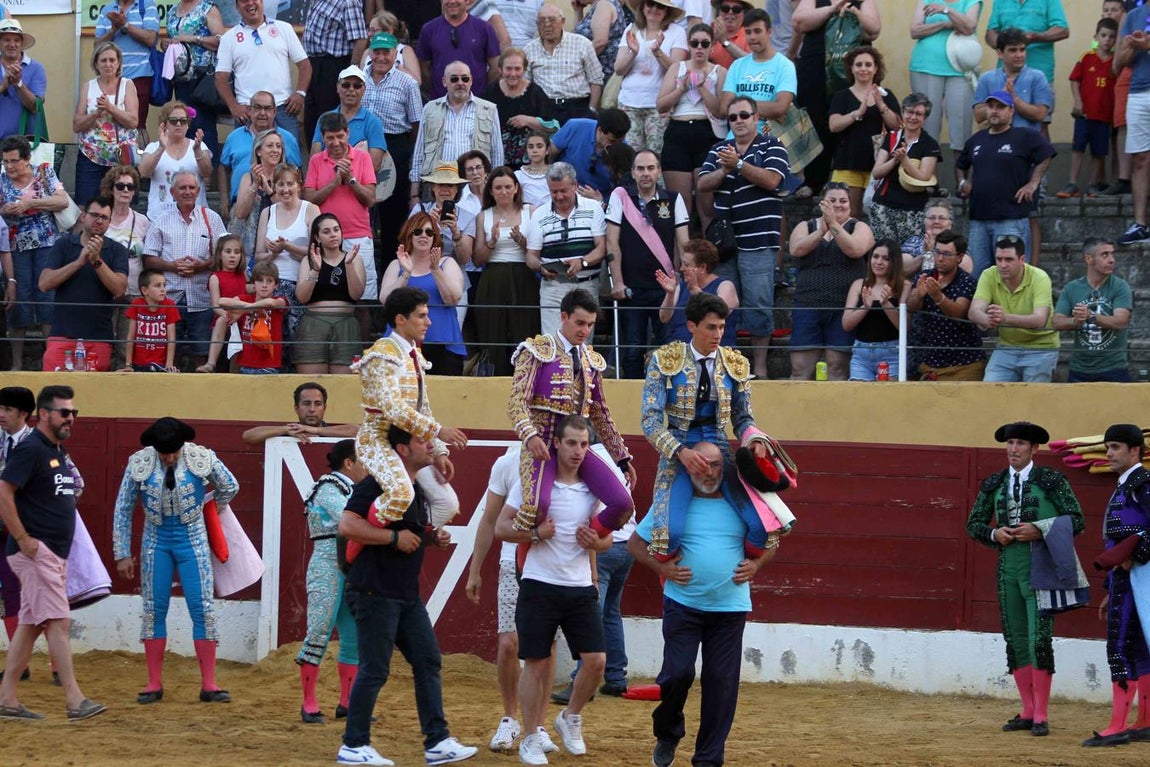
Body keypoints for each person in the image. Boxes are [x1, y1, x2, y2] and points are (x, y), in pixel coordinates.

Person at [629, 440, 780, 767]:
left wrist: (756, 565)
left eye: (715, 464)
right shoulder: (672, 505)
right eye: (702, 464)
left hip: (730, 609)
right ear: (688, 467)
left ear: (724, 468)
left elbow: (772, 541)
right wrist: (662, 569)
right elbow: (635, 544)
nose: (709, 471)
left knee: (721, 687)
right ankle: (668, 733)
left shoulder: (741, 503)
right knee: (677, 674)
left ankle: (708, 760)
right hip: (683, 604)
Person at [336, 424, 478, 767]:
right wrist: (393, 540)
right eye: (419, 440)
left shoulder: (411, 488)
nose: (428, 445)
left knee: (428, 660)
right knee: (375, 669)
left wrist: (431, 538)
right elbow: (347, 525)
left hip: (402, 592)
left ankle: (437, 741)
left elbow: (405, 533)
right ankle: (353, 745)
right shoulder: (377, 484)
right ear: (401, 449)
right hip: (373, 590)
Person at [494, 415, 616, 766]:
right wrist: (535, 535)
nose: (579, 451)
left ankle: (570, 717)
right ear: (558, 444)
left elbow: (606, 541)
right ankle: (531, 736)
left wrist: (598, 541)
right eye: (572, 443)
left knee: (596, 662)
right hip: (539, 582)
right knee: (536, 662)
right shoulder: (532, 484)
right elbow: (502, 527)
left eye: (584, 444)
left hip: (579, 585)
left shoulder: (594, 489)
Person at [641, 292, 783, 557]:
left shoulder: (736, 363)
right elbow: (650, 420)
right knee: (665, 535)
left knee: (763, 526)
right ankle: (671, 578)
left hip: (718, 443)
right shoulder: (664, 360)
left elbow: (743, 418)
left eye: (722, 327)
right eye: (710, 327)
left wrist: (754, 439)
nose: (718, 334)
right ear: (692, 326)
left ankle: (737, 569)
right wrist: (680, 452)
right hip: (678, 443)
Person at [965, 421, 1083, 739]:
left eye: (1020, 443)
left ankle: (1042, 715)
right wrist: (994, 532)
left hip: (1040, 567)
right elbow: (973, 523)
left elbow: (1077, 519)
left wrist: (1040, 528)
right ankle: (1028, 710)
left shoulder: (1051, 481)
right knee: (1016, 640)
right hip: (1008, 570)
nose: (1013, 448)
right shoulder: (994, 483)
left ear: (1034, 449)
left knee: (1038, 640)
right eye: (1010, 443)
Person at [113, 417, 239, 705]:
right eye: (163, 453)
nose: (169, 457)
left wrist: (210, 506)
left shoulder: (200, 456)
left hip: (192, 539)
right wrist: (122, 553)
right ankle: (153, 683)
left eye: (173, 452)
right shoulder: (140, 462)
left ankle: (209, 683)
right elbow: (123, 507)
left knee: (202, 608)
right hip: (155, 541)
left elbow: (229, 486)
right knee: (154, 609)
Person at [0, 385, 106, 722]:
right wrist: (25, 538)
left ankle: (7, 700)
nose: (71, 418)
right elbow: (3, 491)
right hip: (36, 551)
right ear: (44, 414)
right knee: (59, 621)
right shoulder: (30, 449)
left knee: (30, 625)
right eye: (64, 412)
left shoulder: (55, 450)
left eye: (74, 413)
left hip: (50, 552)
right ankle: (75, 699)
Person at [355, 286, 468, 522]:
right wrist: (438, 431)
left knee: (447, 503)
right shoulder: (382, 353)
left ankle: (412, 542)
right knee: (400, 495)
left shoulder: (412, 353)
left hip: (409, 440)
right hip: (380, 439)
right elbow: (393, 409)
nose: (428, 322)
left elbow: (421, 407)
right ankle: (361, 545)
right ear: (400, 319)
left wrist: (437, 450)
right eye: (421, 315)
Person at [698, 95, 789, 379]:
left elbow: (773, 180)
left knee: (759, 303)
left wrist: (737, 165)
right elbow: (702, 183)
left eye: (743, 115)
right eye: (733, 117)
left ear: (756, 118)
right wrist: (724, 170)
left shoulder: (772, 145)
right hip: (725, 244)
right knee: (722, 305)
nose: (738, 121)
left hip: (759, 239)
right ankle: (727, 362)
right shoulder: (718, 149)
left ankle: (759, 367)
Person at [1083, 423, 1150, 748]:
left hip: (1138, 575)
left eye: (1116, 448)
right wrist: (1111, 586)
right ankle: (1145, 721)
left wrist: (1133, 555)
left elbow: (1138, 538)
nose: (1109, 453)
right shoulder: (1128, 484)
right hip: (1127, 580)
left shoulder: (1142, 484)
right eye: (1108, 447)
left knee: (1119, 647)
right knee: (1138, 647)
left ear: (1135, 451)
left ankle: (1118, 726)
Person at [297, 439, 366, 724]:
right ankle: (308, 702)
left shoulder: (352, 489)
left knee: (353, 636)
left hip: (351, 568)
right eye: (363, 461)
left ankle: (347, 703)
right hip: (327, 566)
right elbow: (350, 520)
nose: (368, 467)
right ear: (348, 463)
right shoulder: (329, 488)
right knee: (319, 631)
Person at [607, 149, 689, 378]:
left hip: (666, 289)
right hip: (632, 288)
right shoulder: (620, 196)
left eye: (651, 168)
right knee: (632, 350)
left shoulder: (674, 200)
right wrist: (618, 282)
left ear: (659, 171)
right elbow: (612, 241)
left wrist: (686, 277)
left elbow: (683, 243)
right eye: (641, 168)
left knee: (668, 348)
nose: (646, 173)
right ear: (632, 172)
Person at [956, 91, 1056, 277]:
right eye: (991, 106)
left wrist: (1033, 184)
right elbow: (960, 165)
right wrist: (963, 182)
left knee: (1012, 274)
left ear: (1011, 111)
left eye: (1000, 107)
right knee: (976, 274)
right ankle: (981, 307)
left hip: (1011, 218)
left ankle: (1011, 308)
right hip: (979, 219)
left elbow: (1047, 155)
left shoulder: (1024, 136)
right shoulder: (976, 140)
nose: (994, 111)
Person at [787, 181, 875, 380]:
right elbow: (796, 249)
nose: (838, 204)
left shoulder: (859, 227)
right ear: (822, 204)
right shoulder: (806, 226)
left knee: (837, 367)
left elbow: (855, 250)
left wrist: (834, 225)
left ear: (850, 204)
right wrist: (821, 231)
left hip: (844, 309)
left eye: (843, 200)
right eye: (832, 200)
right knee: (800, 369)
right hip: (807, 305)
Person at [792, 0, 882, 193]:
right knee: (815, 121)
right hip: (815, 68)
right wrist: (832, 9)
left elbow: (873, 30)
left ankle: (852, 182)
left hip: (852, 71)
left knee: (855, 122)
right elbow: (799, 22)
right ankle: (814, 181)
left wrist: (855, 12)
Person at [142, 172, 225, 372]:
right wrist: (172, 266)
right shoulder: (161, 220)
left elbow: (224, 255)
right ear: (172, 192)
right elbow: (147, 258)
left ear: (198, 191)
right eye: (182, 188)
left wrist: (202, 266)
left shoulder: (212, 218)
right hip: (171, 298)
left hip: (202, 298)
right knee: (170, 357)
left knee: (203, 357)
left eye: (192, 188)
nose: (188, 192)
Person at [0, 135, 70, 371]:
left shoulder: (44, 172)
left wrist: (31, 204)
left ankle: (49, 362)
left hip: (46, 245)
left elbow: (62, 202)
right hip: (15, 247)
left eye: (13, 161)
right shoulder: (1, 179)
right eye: (5, 161)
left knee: (46, 301)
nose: (9, 166)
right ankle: (17, 364)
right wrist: (5, 209)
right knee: (18, 301)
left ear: (27, 159)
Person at [38, 196, 130, 373]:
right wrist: (78, 263)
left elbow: (119, 289)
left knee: (95, 395)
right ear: (83, 216)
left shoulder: (117, 250)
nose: (99, 220)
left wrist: (96, 261)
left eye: (104, 217)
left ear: (110, 222)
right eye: (95, 215)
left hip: (98, 337)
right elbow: (44, 283)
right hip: (62, 335)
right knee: (54, 390)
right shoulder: (63, 244)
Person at [656, 22, 726, 234]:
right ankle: (679, 262)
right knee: (680, 206)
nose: (699, 48)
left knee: (706, 205)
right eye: (695, 43)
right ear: (689, 45)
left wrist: (703, 86)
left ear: (712, 46)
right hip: (678, 131)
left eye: (705, 44)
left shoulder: (719, 71)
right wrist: (682, 88)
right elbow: (661, 105)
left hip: (707, 131)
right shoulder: (678, 68)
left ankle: (710, 257)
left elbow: (721, 110)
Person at [304, 113, 379, 307]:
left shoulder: (363, 157)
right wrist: (333, 183)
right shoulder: (315, 161)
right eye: (330, 138)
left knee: (363, 299)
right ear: (322, 137)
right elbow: (309, 199)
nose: (336, 142)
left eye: (340, 136)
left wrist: (351, 179)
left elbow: (370, 199)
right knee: (329, 295)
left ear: (348, 133)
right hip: (325, 238)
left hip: (358, 236)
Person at [362, 31, 424, 261]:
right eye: (376, 52)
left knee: (393, 216)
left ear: (394, 54)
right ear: (370, 53)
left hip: (395, 145)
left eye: (385, 52)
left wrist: (406, 154)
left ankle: (391, 271)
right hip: (363, 148)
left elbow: (417, 124)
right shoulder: (359, 79)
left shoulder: (407, 82)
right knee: (362, 213)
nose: (380, 57)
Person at [379, 214, 468, 375]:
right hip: (401, 344)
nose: (423, 236)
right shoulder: (396, 265)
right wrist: (406, 273)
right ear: (409, 235)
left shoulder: (447, 263)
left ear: (435, 237)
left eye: (429, 232)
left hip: (443, 343)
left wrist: (435, 270)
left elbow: (453, 298)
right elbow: (386, 301)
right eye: (418, 231)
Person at [524, 163, 607, 334]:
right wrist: (540, 267)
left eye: (564, 191)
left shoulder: (593, 208)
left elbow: (602, 247)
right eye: (554, 192)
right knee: (552, 343)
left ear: (575, 186)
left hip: (586, 283)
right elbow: (531, 256)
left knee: (582, 343)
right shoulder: (539, 214)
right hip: (553, 286)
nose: (559, 196)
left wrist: (582, 262)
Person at [472, 166, 539, 375]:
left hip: (523, 277)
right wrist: (492, 242)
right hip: (494, 278)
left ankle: (526, 377)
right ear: (490, 191)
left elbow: (538, 251)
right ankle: (495, 376)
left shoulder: (531, 211)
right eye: (498, 188)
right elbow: (477, 259)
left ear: (516, 188)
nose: (504, 192)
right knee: (494, 330)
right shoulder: (484, 216)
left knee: (525, 329)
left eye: (508, 187)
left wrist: (521, 241)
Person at [215, 0, 312, 139]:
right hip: (248, 111)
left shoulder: (284, 28)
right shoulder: (228, 38)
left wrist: (300, 94)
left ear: (262, 2)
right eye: (243, 1)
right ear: (237, 6)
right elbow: (220, 77)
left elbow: (305, 65)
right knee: (247, 158)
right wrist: (233, 106)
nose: (250, 3)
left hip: (283, 108)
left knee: (289, 158)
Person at [409, 61, 504, 202]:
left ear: (471, 80)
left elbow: (497, 154)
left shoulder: (489, 109)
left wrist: (495, 188)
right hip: (438, 185)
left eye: (464, 78)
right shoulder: (430, 108)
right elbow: (419, 153)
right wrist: (414, 195)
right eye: (454, 79)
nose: (460, 83)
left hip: (475, 185)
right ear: (444, 81)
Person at [968, 234, 1059, 383]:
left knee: (1033, 401)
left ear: (1022, 260)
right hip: (1007, 346)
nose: (1002, 265)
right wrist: (987, 319)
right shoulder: (989, 274)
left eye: (1009, 259)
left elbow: (1040, 320)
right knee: (988, 392)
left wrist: (1005, 318)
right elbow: (974, 311)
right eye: (999, 259)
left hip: (1041, 347)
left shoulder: (1040, 277)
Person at [827, 45, 901, 218]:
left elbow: (897, 126)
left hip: (878, 166)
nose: (863, 69)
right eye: (858, 64)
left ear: (875, 68)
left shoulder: (886, 94)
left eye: (868, 64)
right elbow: (834, 125)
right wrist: (857, 113)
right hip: (847, 164)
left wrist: (881, 104)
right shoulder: (842, 96)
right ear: (851, 68)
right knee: (845, 216)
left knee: (878, 217)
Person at [254, 163, 319, 358]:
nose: (285, 189)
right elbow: (258, 255)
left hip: (300, 284)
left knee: (295, 342)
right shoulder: (268, 212)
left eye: (290, 184)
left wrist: (287, 247)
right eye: (280, 184)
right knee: (270, 342)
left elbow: (318, 252)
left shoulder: (311, 209)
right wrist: (273, 253)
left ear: (299, 185)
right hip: (271, 284)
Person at [908, 0, 983, 168]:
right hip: (925, 66)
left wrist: (946, 10)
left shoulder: (971, 2)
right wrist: (944, 24)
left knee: (961, 124)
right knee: (927, 124)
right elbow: (915, 31)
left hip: (960, 69)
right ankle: (928, 180)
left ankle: (962, 181)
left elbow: (968, 27)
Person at [906, 229, 987, 380]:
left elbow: (959, 312)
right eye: (937, 252)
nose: (940, 258)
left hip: (965, 365)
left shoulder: (967, 282)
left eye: (947, 254)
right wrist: (918, 294)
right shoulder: (926, 275)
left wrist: (938, 297)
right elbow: (910, 306)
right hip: (930, 365)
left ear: (960, 257)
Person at [1052, 237, 1133, 383]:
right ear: (1088, 259)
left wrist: (1091, 316)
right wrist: (1075, 321)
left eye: (1112, 254)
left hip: (1114, 368)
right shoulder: (1072, 288)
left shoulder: (1120, 287)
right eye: (1104, 255)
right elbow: (1056, 322)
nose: (1111, 260)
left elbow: (1121, 321)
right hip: (1079, 369)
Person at [294, 214, 366, 375]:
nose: (333, 234)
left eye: (336, 230)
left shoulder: (355, 258)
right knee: (312, 385)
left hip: (346, 324)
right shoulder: (309, 260)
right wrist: (316, 270)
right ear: (316, 237)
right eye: (326, 231)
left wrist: (348, 265)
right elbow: (302, 297)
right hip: (313, 324)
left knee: (343, 386)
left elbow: (356, 295)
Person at [868, 93, 943, 246]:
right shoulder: (891, 138)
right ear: (902, 112)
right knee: (885, 254)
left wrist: (905, 160)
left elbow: (924, 178)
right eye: (909, 112)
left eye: (918, 114)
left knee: (909, 254)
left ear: (925, 118)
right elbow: (877, 173)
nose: (913, 117)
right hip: (884, 205)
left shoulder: (930, 144)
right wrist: (895, 161)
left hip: (913, 209)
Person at [72, 42, 140, 207]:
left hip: (122, 158)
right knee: (86, 205)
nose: (108, 64)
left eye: (112, 60)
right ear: (96, 64)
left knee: (123, 205)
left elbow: (133, 121)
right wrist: (96, 113)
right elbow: (76, 125)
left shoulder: (127, 85)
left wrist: (110, 108)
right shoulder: (88, 87)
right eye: (103, 60)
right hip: (91, 157)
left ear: (118, 63)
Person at [985, 0, 1069, 136]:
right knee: (1000, 122)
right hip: (1006, 74)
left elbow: (1063, 30)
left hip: (1040, 73)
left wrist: (1035, 36)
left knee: (1040, 125)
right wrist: (1005, 46)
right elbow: (990, 33)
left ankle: (1041, 158)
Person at [217, 91, 304, 222]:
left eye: (268, 108)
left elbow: (298, 173)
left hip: (280, 206)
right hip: (242, 204)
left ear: (275, 111)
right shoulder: (234, 137)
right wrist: (224, 199)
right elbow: (223, 168)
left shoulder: (287, 138)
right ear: (249, 110)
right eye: (257, 107)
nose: (262, 113)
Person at [614, 0, 687, 155]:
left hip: (658, 105)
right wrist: (633, 52)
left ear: (667, 11)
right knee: (631, 156)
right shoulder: (631, 29)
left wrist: (657, 52)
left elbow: (678, 71)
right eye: (650, 4)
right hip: (629, 103)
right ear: (643, 7)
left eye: (660, 6)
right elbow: (619, 69)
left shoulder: (676, 32)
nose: (654, 9)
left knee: (656, 155)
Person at [1059, 18, 1118, 197]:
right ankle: (1072, 183)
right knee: (1078, 148)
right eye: (1104, 35)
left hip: (1104, 116)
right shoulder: (1086, 57)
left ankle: (1093, 184)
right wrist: (1077, 101)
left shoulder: (1116, 63)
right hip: (1084, 114)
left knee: (1098, 152)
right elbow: (1075, 80)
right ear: (1096, 36)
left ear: (1116, 40)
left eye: (1112, 37)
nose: (1107, 40)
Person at [166, 0, 227, 163]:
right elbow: (173, 38)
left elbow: (221, 41)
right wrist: (166, 43)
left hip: (201, 78)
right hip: (180, 78)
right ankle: (186, 167)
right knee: (184, 124)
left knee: (203, 125)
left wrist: (193, 38)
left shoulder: (207, 8)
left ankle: (207, 172)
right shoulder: (172, 11)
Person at [101, 164, 150, 364]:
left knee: (126, 350)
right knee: (102, 345)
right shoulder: (100, 218)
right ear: (111, 188)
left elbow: (147, 258)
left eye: (130, 187)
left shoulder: (143, 221)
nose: (125, 191)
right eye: (120, 186)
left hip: (132, 293)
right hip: (103, 292)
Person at [841, 239, 910, 381]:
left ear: (894, 262)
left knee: (887, 401)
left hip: (891, 354)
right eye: (875, 256)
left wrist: (886, 304)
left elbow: (906, 327)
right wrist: (865, 307)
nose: (879, 262)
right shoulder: (859, 284)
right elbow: (846, 324)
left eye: (886, 258)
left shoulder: (904, 286)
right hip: (861, 354)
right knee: (859, 399)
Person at [302, 0, 369, 145]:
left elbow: (361, 39)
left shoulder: (348, 2)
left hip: (332, 65)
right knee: (311, 119)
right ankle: (316, 163)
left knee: (328, 118)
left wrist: (351, 71)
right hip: (313, 64)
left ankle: (332, 159)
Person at [526, 3, 605, 123]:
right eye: (541, 21)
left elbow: (596, 80)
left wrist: (592, 110)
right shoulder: (529, 49)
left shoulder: (582, 44)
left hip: (577, 107)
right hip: (544, 108)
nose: (547, 25)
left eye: (551, 20)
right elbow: (526, 85)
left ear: (562, 21)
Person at [94, 0, 158, 142]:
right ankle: (114, 163)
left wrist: (126, 25)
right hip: (111, 79)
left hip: (139, 76)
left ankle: (140, 162)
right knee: (110, 125)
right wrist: (113, 29)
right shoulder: (107, 9)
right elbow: (97, 45)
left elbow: (151, 39)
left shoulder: (147, 5)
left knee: (137, 125)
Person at [482, 48, 557, 169]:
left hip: (529, 159)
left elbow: (553, 127)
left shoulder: (535, 92)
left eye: (517, 69)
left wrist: (528, 120)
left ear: (524, 70)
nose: (513, 74)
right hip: (498, 158)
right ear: (500, 69)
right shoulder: (490, 92)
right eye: (508, 69)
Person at [658, 238, 739, 347]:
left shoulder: (725, 286)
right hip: (680, 352)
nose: (681, 269)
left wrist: (695, 290)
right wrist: (670, 294)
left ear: (702, 267)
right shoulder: (680, 288)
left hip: (715, 353)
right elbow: (664, 318)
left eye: (686, 265)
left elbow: (717, 313)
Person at [309, 65, 388, 175]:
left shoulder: (373, 122)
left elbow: (375, 165)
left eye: (357, 86)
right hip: (326, 182)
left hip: (359, 184)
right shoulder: (324, 119)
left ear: (364, 89)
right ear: (337, 87)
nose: (351, 89)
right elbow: (314, 159)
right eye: (346, 85)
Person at [1115, 1, 1150, 245]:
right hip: (1138, 92)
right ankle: (1140, 223)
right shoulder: (1133, 16)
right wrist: (1134, 48)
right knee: (1140, 158)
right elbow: (1117, 64)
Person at [138, 101, 213, 216]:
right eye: (173, 121)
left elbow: (207, 172)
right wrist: (161, 148)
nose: (178, 124)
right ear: (164, 124)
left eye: (183, 121)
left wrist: (197, 151)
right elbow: (143, 172)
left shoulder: (200, 146)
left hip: (195, 216)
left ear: (188, 124)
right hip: (160, 216)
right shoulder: (153, 147)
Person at [973, 28, 1054, 133]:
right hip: (995, 141)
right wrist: (1000, 98)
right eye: (1013, 50)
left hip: (1026, 141)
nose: (1019, 55)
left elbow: (1040, 115)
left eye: (1022, 49)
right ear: (1000, 53)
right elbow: (978, 116)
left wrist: (1013, 98)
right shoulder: (986, 78)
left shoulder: (1037, 77)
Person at [417, 0, 500, 100]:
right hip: (440, 102)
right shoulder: (428, 30)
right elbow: (424, 69)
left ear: (468, 1)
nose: (451, 1)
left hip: (477, 101)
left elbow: (496, 67)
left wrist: (481, 90)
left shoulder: (484, 28)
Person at [218, 260, 289, 375]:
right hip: (245, 362)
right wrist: (251, 307)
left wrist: (245, 309)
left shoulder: (280, 301)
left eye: (269, 281)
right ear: (253, 283)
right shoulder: (246, 299)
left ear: (276, 284)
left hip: (269, 365)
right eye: (260, 280)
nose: (264, 285)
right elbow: (221, 301)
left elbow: (271, 303)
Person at [241, 381, 359, 446]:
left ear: (324, 408)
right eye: (306, 403)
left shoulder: (333, 433)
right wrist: (285, 430)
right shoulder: (291, 431)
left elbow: (359, 432)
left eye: (317, 404)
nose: (312, 409)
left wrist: (316, 430)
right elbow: (248, 436)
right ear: (296, 408)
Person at [547, 108, 631, 196]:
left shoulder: (623, 150)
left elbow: (622, 187)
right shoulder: (575, 127)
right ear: (600, 130)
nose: (615, 145)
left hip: (599, 197)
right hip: (563, 188)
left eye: (620, 142)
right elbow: (549, 154)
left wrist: (600, 200)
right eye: (612, 141)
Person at [230, 129, 284, 258]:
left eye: (278, 146)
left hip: (277, 243)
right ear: (258, 151)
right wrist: (255, 184)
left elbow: (287, 209)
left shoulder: (285, 178)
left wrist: (268, 189)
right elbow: (240, 213)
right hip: (250, 246)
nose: (275, 150)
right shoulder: (247, 178)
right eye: (270, 146)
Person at [122, 269, 180, 372]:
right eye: (158, 286)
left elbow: (171, 338)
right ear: (145, 290)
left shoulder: (169, 305)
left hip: (161, 364)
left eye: (164, 285)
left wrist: (169, 364)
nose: (163, 289)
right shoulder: (137, 304)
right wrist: (128, 364)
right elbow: (130, 336)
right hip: (138, 363)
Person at [0, 19, 46, 144]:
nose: (12, 44)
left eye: (16, 40)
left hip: (25, 145)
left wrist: (18, 84)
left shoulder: (36, 68)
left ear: (21, 43)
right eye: (6, 40)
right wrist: (3, 86)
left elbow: (35, 107)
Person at [901, 202, 973, 276]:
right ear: (924, 222)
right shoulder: (914, 241)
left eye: (941, 218)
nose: (936, 221)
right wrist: (925, 254)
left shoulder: (958, 242)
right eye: (931, 218)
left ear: (950, 223)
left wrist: (932, 252)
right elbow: (902, 269)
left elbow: (966, 268)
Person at [573, 0, 632, 84]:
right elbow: (578, 37)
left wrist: (575, 60)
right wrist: (578, 11)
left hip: (601, 73)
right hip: (595, 72)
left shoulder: (604, 5)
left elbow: (600, 42)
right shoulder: (599, 6)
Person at [361, 10, 424, 83]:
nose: (369, 34)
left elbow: (417, 82)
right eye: (369, 29)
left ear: (388, 31)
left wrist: (393, 64)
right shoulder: (367, 52)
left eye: (373, 30)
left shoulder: (405, 51)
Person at [709, 0, 751, 69]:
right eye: (725, 8)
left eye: (736, 9)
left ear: (744, 14)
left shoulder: (749, 34)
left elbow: (750, 62)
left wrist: (724, 42)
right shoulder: (711, 32)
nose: (730, 12)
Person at [516, 131, 552, 207]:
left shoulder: (556, 173)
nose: (535, 150)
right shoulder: (518, 175)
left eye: (539, 146)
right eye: (531, 147)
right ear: (526, 150)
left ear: (547, 150)